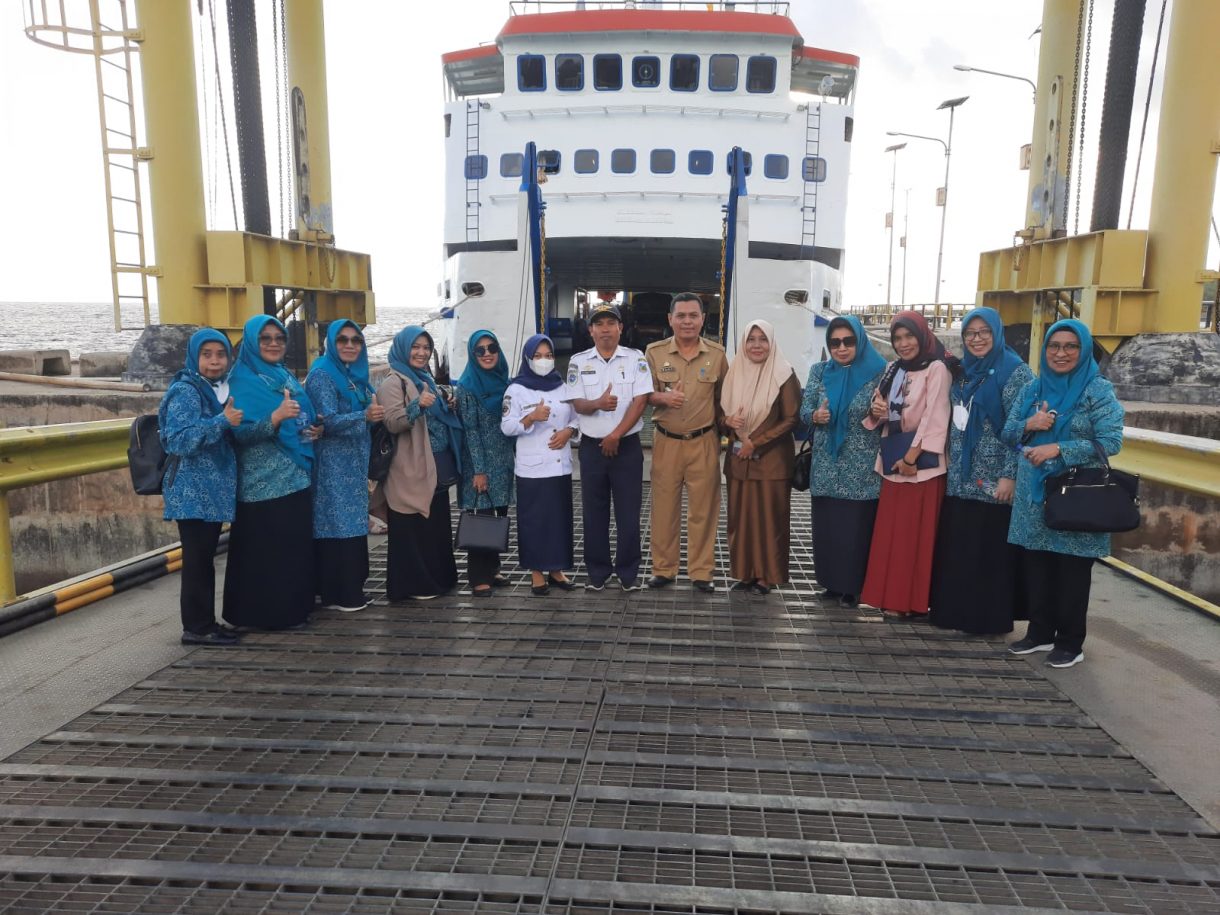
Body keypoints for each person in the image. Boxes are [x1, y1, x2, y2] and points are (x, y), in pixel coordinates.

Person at [1002, 319, 1124, 668]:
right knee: (1038, 566)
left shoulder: (1097, 390)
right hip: (1034, 495)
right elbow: (1008, 433)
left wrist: (1059, 448)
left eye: (1071, 346)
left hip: (1076, 494)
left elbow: (1111, 441)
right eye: (1054, 346)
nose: (1061, 353)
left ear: (1083, 351)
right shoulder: (1034, 388)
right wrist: (1030, 424)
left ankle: (1071, 642)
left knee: (1072, 572)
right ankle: (1040, 632)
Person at [929, 308, 1034, 634]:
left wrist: (1010, 475)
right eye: (970, 333)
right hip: (961, 477)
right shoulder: (964, 372)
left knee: (990, 551)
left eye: (984, 331)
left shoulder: (1015, 373)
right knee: (960, 547)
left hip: (993, 479)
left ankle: (986, 620)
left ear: (997, 333)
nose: (976, 339)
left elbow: (1023, 429)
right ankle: (954, 614)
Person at [223, 314, 321, 630]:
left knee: (292, 549)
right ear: (252, 342)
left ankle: (293, 611)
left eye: (279, 338)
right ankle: (260, 617)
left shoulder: (283, 375)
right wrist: (275, 418)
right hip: (261, 484)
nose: (274, 344)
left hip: (296, 474)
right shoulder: (239, 382)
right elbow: (239, 434)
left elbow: (303, 415)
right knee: (264, 552)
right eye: (265, 338)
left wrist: (313, 429)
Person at [859, 311, 955, 619]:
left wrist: (912, 458)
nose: (903, 344)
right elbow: (880, 413)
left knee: (914, 537)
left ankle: (908, 601)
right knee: (891, 535)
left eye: (909, 336)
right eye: (897, 338)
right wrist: (877, 410)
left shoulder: (937, 368)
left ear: (922, 335)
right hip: (894, 461)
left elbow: (936, 415)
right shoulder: (893, 369)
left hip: (920, 465)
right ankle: (887, 596)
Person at [159, 327, 243, 645]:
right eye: (206, 355)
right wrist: (222, 421)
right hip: (192, 491)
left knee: (204, 558)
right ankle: (196, 627)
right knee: (197, 560)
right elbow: (179, 440)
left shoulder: (215, 389)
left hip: (210, 491)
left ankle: (206, 623)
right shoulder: (186, 391)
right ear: (194, 357)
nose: (215, 361)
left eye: (221, 354)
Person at [564, 302, 653, 591]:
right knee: (594, 513)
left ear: (620, 328)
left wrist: (616, 434)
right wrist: (598, 403)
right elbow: (578, 403)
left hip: (626, 447)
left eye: (611, 323)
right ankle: (598, 572)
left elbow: (641, 401)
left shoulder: (635, 358)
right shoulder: (578, 362)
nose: (605, 329)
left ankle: (628, 573)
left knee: (629, 514)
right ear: (590, 330)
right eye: (599, 324)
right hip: (592, 449)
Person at [799, 315, 886, 608]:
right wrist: (815, 416)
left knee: (855, 530)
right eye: (835, 342)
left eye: (848, 341)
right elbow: (804, 410)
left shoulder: (879, 373)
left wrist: (880, 412)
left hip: (861, 468)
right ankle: (831, 583)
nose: (841, 348)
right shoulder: (820, 371)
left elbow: (890, 413)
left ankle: (853, 587)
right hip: (826, 465)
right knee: (827, 529)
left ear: (860, 341)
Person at [372, 326, 462, 601]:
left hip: (434, 468)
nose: (422, 353)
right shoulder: (392, 383)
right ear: (403, 348)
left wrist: (446, 405)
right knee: (412, 527)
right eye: (416, 347)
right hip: (409, 468)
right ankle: (416, 585)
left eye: (426, 347)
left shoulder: (425, 378)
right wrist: (418, 406)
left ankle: (439, 579)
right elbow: (393, 422)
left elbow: (435, 416)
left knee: (435, 525)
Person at [645, 293, 728, 593]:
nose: (687, 321)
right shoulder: (654, 353)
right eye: (681, 316)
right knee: (664, 508)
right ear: (670, 319)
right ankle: (663, 568)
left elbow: (723, 399)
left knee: (704, 510)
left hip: (703, 441)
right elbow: (643, 395)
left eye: (693, 315)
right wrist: (662, 398)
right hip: (667, 441)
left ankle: (701, 572)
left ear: (703, 319)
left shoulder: (717, 355)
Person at [305, 319, 384, 612]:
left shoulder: (354, 376)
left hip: (354, 463)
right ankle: (337, 593)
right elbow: (325, 420)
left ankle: (352, 588)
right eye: (342, 340)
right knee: (335, 524)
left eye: (356, 340)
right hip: (332, 464)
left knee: (352, 524)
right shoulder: (323, 375)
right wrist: (363, 416)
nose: (350, 345)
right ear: (331, 344)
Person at [721, 319, 801, 595]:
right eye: (751, 340)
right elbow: (720, 416)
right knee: (741, 519)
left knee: (769, 520)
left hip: (771, 462)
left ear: (772, 342)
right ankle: (745, 573)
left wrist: (755, 443)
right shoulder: (734, 372)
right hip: (738, 461)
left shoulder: (783, 373)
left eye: (763, 339)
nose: (757, 345)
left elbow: (791, 419)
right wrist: (727, 421)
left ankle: (766, 576)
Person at [501, 334, 579, 596]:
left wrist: (569, 431)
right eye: (537, 356)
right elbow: (507, 427)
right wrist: (531, 417)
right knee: (534, 521)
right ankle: (536, 572)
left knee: (559, 519)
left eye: (548, 355)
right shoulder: (516, 389)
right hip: (532, 469)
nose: (544, 360)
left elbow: (577, 417)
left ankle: (557, 570)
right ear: (528, 358)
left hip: (559, 465)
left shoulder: (562, 386)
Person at [455, 329, 515, 596]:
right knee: (481, 517)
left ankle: (493, 569)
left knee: (498, 514)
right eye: (480, 350)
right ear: (472, 354)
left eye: (492, 348)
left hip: (503, 461)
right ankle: (479, 576)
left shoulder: (505, 382)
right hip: (480, 462)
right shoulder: (467, 387)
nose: (487, 354)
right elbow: (471, 431)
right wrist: (479, 470)